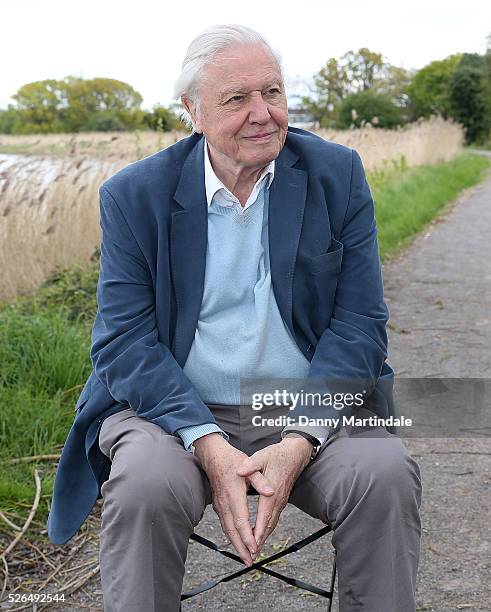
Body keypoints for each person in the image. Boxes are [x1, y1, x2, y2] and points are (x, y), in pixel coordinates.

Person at [47, 23, 422, 611]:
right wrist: (205, 440)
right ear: (191, 112)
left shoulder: (336, 174)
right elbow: (124, 341)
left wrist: (301, 436)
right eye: (237, 98)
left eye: (272, 93)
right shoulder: (134, 195)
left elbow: (360, 326)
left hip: (305, 402)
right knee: (144, 483)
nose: (262, 113)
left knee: (384, 472)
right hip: (171, 411)